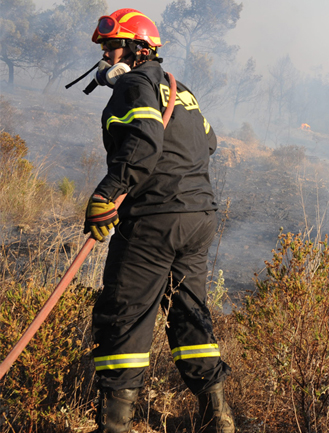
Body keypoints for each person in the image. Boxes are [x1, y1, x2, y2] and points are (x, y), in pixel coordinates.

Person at [83, 9, 234, 433]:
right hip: (198, 216)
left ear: (135, 48)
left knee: (125, 313)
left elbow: (144, 142)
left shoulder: (133, 83)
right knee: (189, 311)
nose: (105, 57)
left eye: (110, 47)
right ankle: (217, 418)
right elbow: (210, 141)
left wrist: (107, 193)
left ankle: (115, 425)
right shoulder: (179, 89)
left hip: (155, 218)